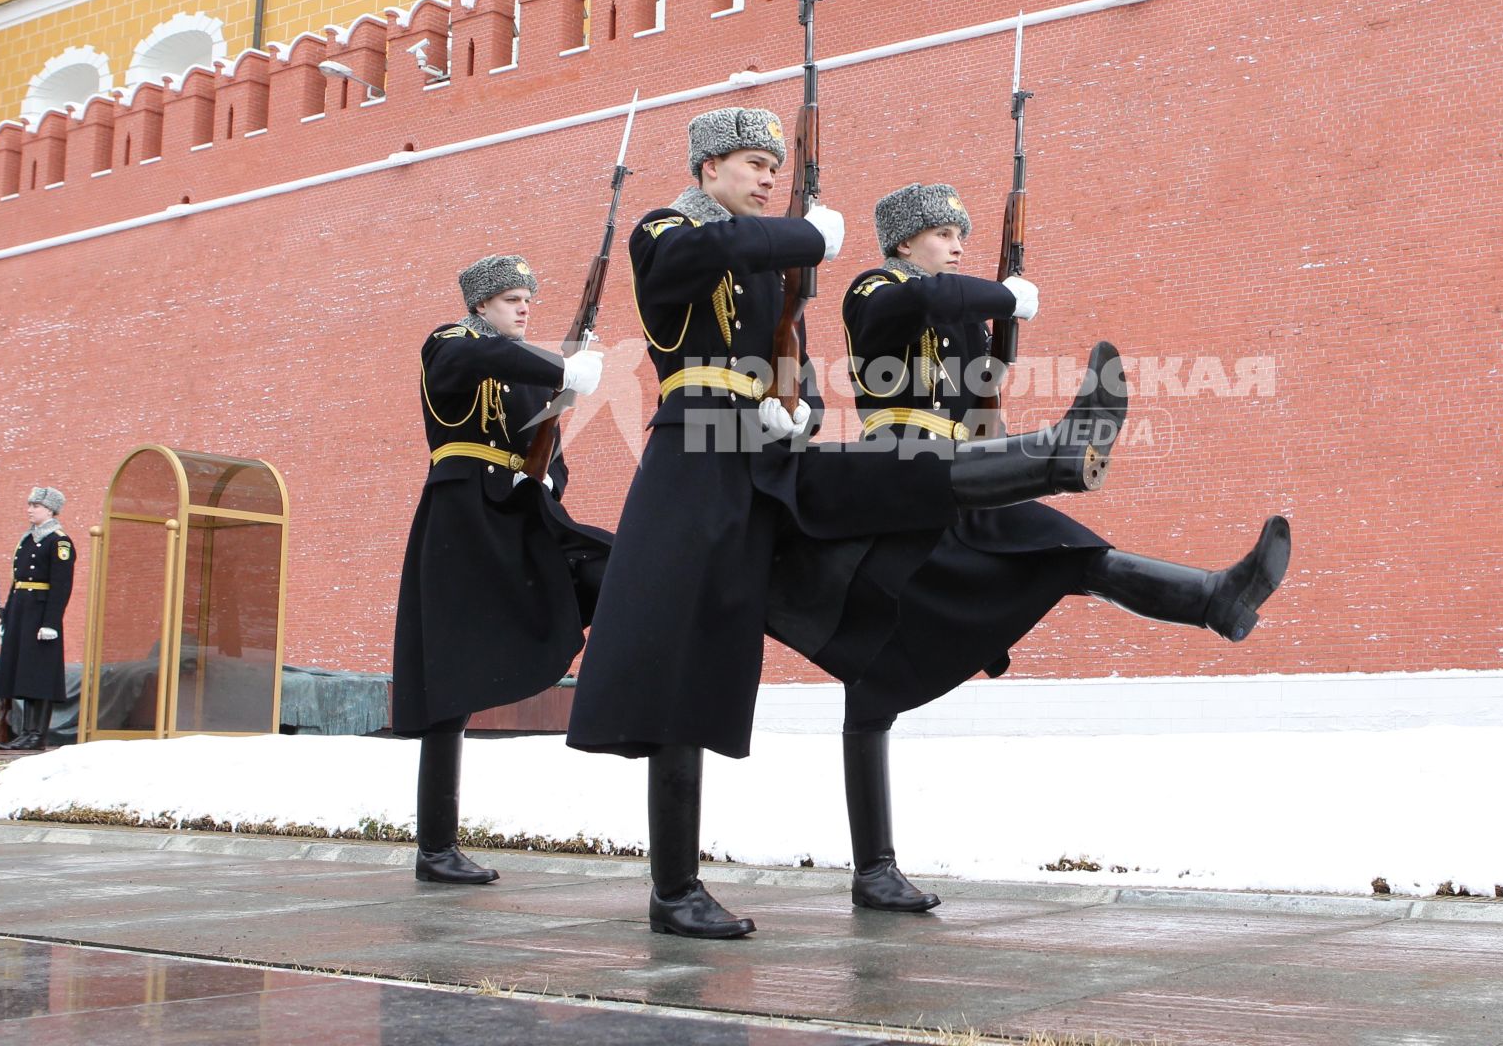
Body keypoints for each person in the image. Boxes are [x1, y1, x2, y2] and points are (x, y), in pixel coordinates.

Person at [566, 107, 1130, 939]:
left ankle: (1055, 454)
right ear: (708, 167)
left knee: (892, 478)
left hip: (765, 457)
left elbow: (783, 351)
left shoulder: (767, 259)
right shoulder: (667, 229)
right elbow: (701, 257)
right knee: (685, 678)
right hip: (694, 461)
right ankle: (673, 890)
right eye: (754, 163)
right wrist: (803, 236)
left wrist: (797, 407)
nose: (766, 177)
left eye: (774, 164)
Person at [834, 182, 1293, 911]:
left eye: (962, 234)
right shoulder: (875, 287)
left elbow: (975, 396)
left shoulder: (958, 311)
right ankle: (874, 869)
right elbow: (911, 307)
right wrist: (998, 299)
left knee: (1073, 553)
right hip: (898, 482)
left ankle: (1214, 598)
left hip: (964, 485)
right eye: (943, 233)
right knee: (871, 690)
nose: (957, 244)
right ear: (902, 242)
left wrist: (997, 341)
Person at [393, 254, 612, 885]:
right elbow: (476, 359)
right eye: (511, 299)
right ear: (481, 306)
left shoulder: (530, 375)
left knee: (616, 570)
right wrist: (562, 366)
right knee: (449, 690)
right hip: (462, 517)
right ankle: (436, 850)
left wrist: (544, 472)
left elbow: (552, 453)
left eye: (527, 300)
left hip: (520, 514)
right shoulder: (451, 341)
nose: (522, 308)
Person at [0, 487, 74, 751]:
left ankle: (37, 735)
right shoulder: (27, 539)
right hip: (21, 613)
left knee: (39, 674)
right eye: (29, 504)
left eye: (35, 506)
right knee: (25, 673)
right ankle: (26, 733)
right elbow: (17, 581)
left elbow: (61, 585)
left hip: (41, 616)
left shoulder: (58, 541)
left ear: (50, 510)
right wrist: (6, 618)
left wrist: (51, 622)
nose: (29, 509)